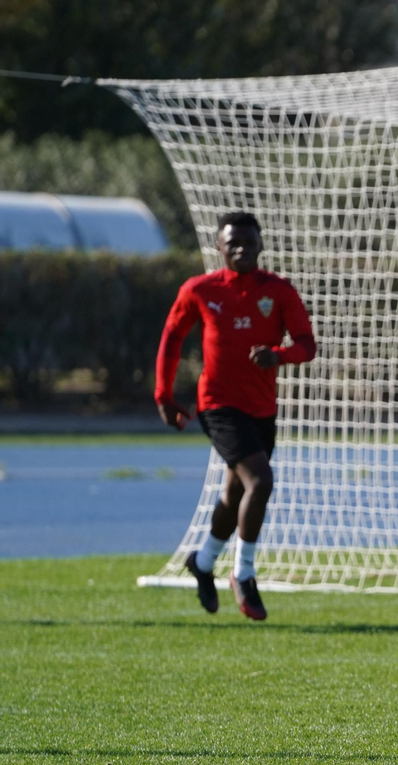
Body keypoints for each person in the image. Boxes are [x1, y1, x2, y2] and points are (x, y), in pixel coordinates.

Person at [154, 212, 315, 621]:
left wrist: (276, 355)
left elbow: (306, 345)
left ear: (261, 244)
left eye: (249, 240)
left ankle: (203, 562)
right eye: (233, 242)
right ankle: (243, 573)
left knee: (236, 492)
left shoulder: (277, 291)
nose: (241, 248)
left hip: (262, 408)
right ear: (219, 247)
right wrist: (164, 393)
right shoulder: (200, 290)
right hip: (218, 406)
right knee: (260, 481)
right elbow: (173, 336)